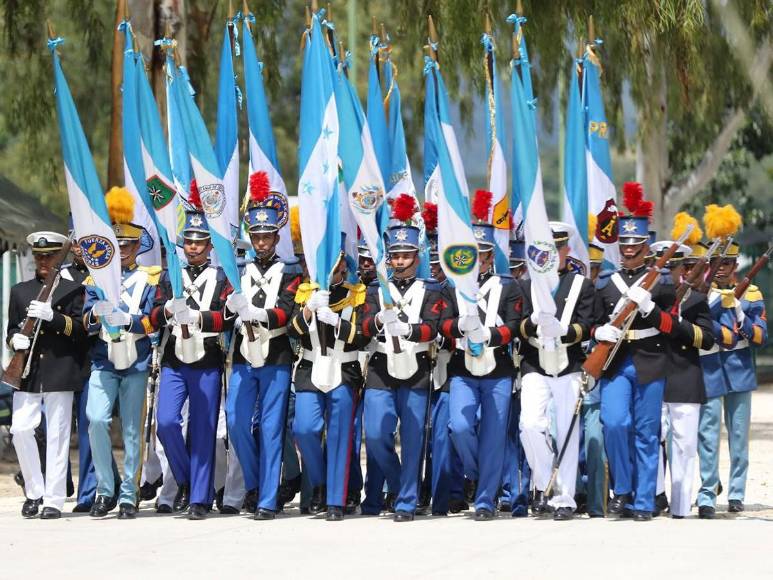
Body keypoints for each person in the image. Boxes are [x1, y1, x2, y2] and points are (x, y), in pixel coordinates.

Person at [360, 200, 447, 522]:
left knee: (413, 438)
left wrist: (409, 328)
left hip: (416, 366)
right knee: (377, 433)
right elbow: (362, 327)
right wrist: (380, 323)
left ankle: (407, 503)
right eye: (394, 255)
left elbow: (434, 328)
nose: (399, 261)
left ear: (417, 256)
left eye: (405, 255)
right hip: (381, 367)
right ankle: (399, 485)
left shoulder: (432, 290)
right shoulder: (375, 289)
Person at [149, 193, 234, 520]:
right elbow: (153, 315)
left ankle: (200, 498)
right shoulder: (171, 275)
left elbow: (227, 317)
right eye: (189, 242)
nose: (194, 247)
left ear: (210, 246)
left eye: (200, 242)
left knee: (203, 429)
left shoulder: (222, 277)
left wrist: (199, 318)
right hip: (173, 359)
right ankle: (184, 479)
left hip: (207, 359)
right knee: (167, 423)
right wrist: (167, 310)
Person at [594, 183, 675, 521]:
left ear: (646, 244)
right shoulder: (605, 283)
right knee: (613, 422)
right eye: (624, 244)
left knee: (646, 431)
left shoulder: (664, 281)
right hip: (615, 362)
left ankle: (643, 501)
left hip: (651, 360)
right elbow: (594, 324)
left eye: (635, 244)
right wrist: (598, 331)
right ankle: (622, 489)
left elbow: (672, 326)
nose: (629, 250)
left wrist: (650, 309)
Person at [440, 192, 523, 521]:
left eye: (484, 255)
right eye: (473, 255)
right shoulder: (452, 287)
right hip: (462, 369)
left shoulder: (508, 286)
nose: (479, 261)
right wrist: (459, 326)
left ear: (491, 257)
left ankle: (486, 500)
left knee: (493, 436)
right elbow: (441, 324)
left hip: (498, 370)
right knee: (459, 426)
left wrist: (489, 334)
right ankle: (475, 474)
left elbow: (515, 326)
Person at [224, 173, 302, 520]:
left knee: (271, 427)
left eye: (267, 236)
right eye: (256, 236)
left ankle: (268, 499)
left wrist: (260, 314)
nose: (261, 242)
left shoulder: (291, 271)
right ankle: (255, 484)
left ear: (276, 236)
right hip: (243, 354)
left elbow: (287, 310)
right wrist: (229, 309)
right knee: (237, 421)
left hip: (276, 356)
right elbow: (224, 308)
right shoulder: (237, 269)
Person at [83, 188, 159, 519]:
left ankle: (129, 493)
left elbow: (153, 320)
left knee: (131, 429)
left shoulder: (149, 277)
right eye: (118, 245)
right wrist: (96, 312)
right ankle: (105, 488)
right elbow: (85, 321)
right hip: (103, 357)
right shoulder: (95, 278)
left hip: (137, 358)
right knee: (96, 419)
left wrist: (129, 321)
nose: (123, 250)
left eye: (128, 245)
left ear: (136, 247)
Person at [518, 222, 596, 521]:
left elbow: (587, 325)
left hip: (569, 363)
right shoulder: (526, 285)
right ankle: (544, 483)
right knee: (530, 426)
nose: (554, 256)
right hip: (535, 362)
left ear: (565, 251)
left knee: (566, 430)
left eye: (559, 250)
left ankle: (564, 498)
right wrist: (534, 321)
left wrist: (564, 330)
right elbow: (518, 327)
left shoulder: (581, 285)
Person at [7, 231, 86, 519]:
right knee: (20, 429)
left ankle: (52, 499)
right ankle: (34, 491)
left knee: (58, 435)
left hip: (60, 368)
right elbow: (12, 329)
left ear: (57, 258)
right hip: (28, 371)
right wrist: (15, 339)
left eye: (49, 255)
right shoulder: (21, 290)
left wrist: (53, 318)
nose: (43, 261)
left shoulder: (75, 287)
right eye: (39, 256)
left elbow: (81, 331)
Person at [288, 237, 367, 521]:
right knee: (305, 429)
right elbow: (293, 331)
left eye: (336, 264)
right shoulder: (305, 293)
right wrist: (309, 308)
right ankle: (321, 483)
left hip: (343, 369)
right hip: (310, 370)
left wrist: (339, 324)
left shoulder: (357, 293)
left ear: (344, 265)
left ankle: (336, 500)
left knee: (339, 437)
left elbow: (363, 336)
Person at [697, 206, 767, 518]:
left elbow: (760, 336)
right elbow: (698, 324)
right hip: (710, 368)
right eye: (717, 262)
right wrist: (717, 317)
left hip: (739, 371)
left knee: (738, 436)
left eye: (727, 262)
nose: (722, 268)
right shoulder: (702, 294)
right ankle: (708, 492)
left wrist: (741, 316)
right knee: (708, 435)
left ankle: (736, 492)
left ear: (736, 263)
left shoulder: (751, 293)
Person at [651, 225, 715, 519]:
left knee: (685, 446)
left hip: (685, 378)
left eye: (674, 268)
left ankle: (680, 505)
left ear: (683, 269)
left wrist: (675, 322)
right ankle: (652, 497)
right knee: (650, 438)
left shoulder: (695, 301)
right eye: (664, 268)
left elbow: (707, 338)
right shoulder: (645, 301)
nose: (670, 274)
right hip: (652, 377)